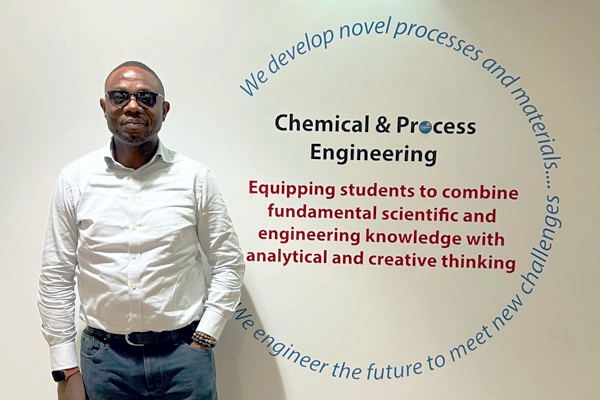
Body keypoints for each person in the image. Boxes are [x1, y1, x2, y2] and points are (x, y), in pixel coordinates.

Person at [38, 61, 245, 400]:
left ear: (164, 110)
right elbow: (56, 273)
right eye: (120, 96)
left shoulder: (194, 179)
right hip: (104, 363)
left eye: (146, 97)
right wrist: (65, 367)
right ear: (104, 106)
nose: (133, 105)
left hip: (184, 360)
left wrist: (208, 331)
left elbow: (228, 261)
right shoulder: (75, 180)